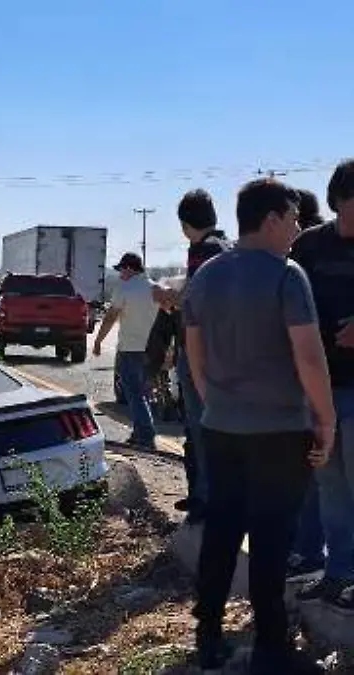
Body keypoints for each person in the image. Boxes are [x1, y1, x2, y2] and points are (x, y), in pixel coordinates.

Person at [183, 178, 334, 672]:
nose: (297, 228)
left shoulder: (205, 276)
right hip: (279, 431)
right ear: (271, 219)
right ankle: (270, 645)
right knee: (272, 538)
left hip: (222, 428)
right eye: (292, 219)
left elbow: (195, 354)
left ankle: (208, 634)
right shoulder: (286, 276)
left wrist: (215, 404)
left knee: (223, 531)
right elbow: (310, 360)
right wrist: (325, 421)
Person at [290, 160, 354, 613]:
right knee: (330, 485)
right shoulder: (310, 246)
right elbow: (285, 298)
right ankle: (337, 574)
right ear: (335, 202)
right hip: (321, 385)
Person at [172, 189, 232, 521]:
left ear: (185, 224)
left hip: (200, 353)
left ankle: (207, 499)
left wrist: (170, 297)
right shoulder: (226, 246)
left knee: (200, 428)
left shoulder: (203, 251)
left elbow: (196, 301)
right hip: (222, 351)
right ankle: (207, 495)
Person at [93, 252, 164, 450]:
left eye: (121, 270)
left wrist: (99, 341)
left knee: (133, 394)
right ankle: (139, 432)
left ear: (130, 268)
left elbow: (110, 317)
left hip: (130, 349)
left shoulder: (125, 289)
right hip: (151, 350)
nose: (120, 274)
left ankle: (146, 436)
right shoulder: (155, 288)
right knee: (143, 393)